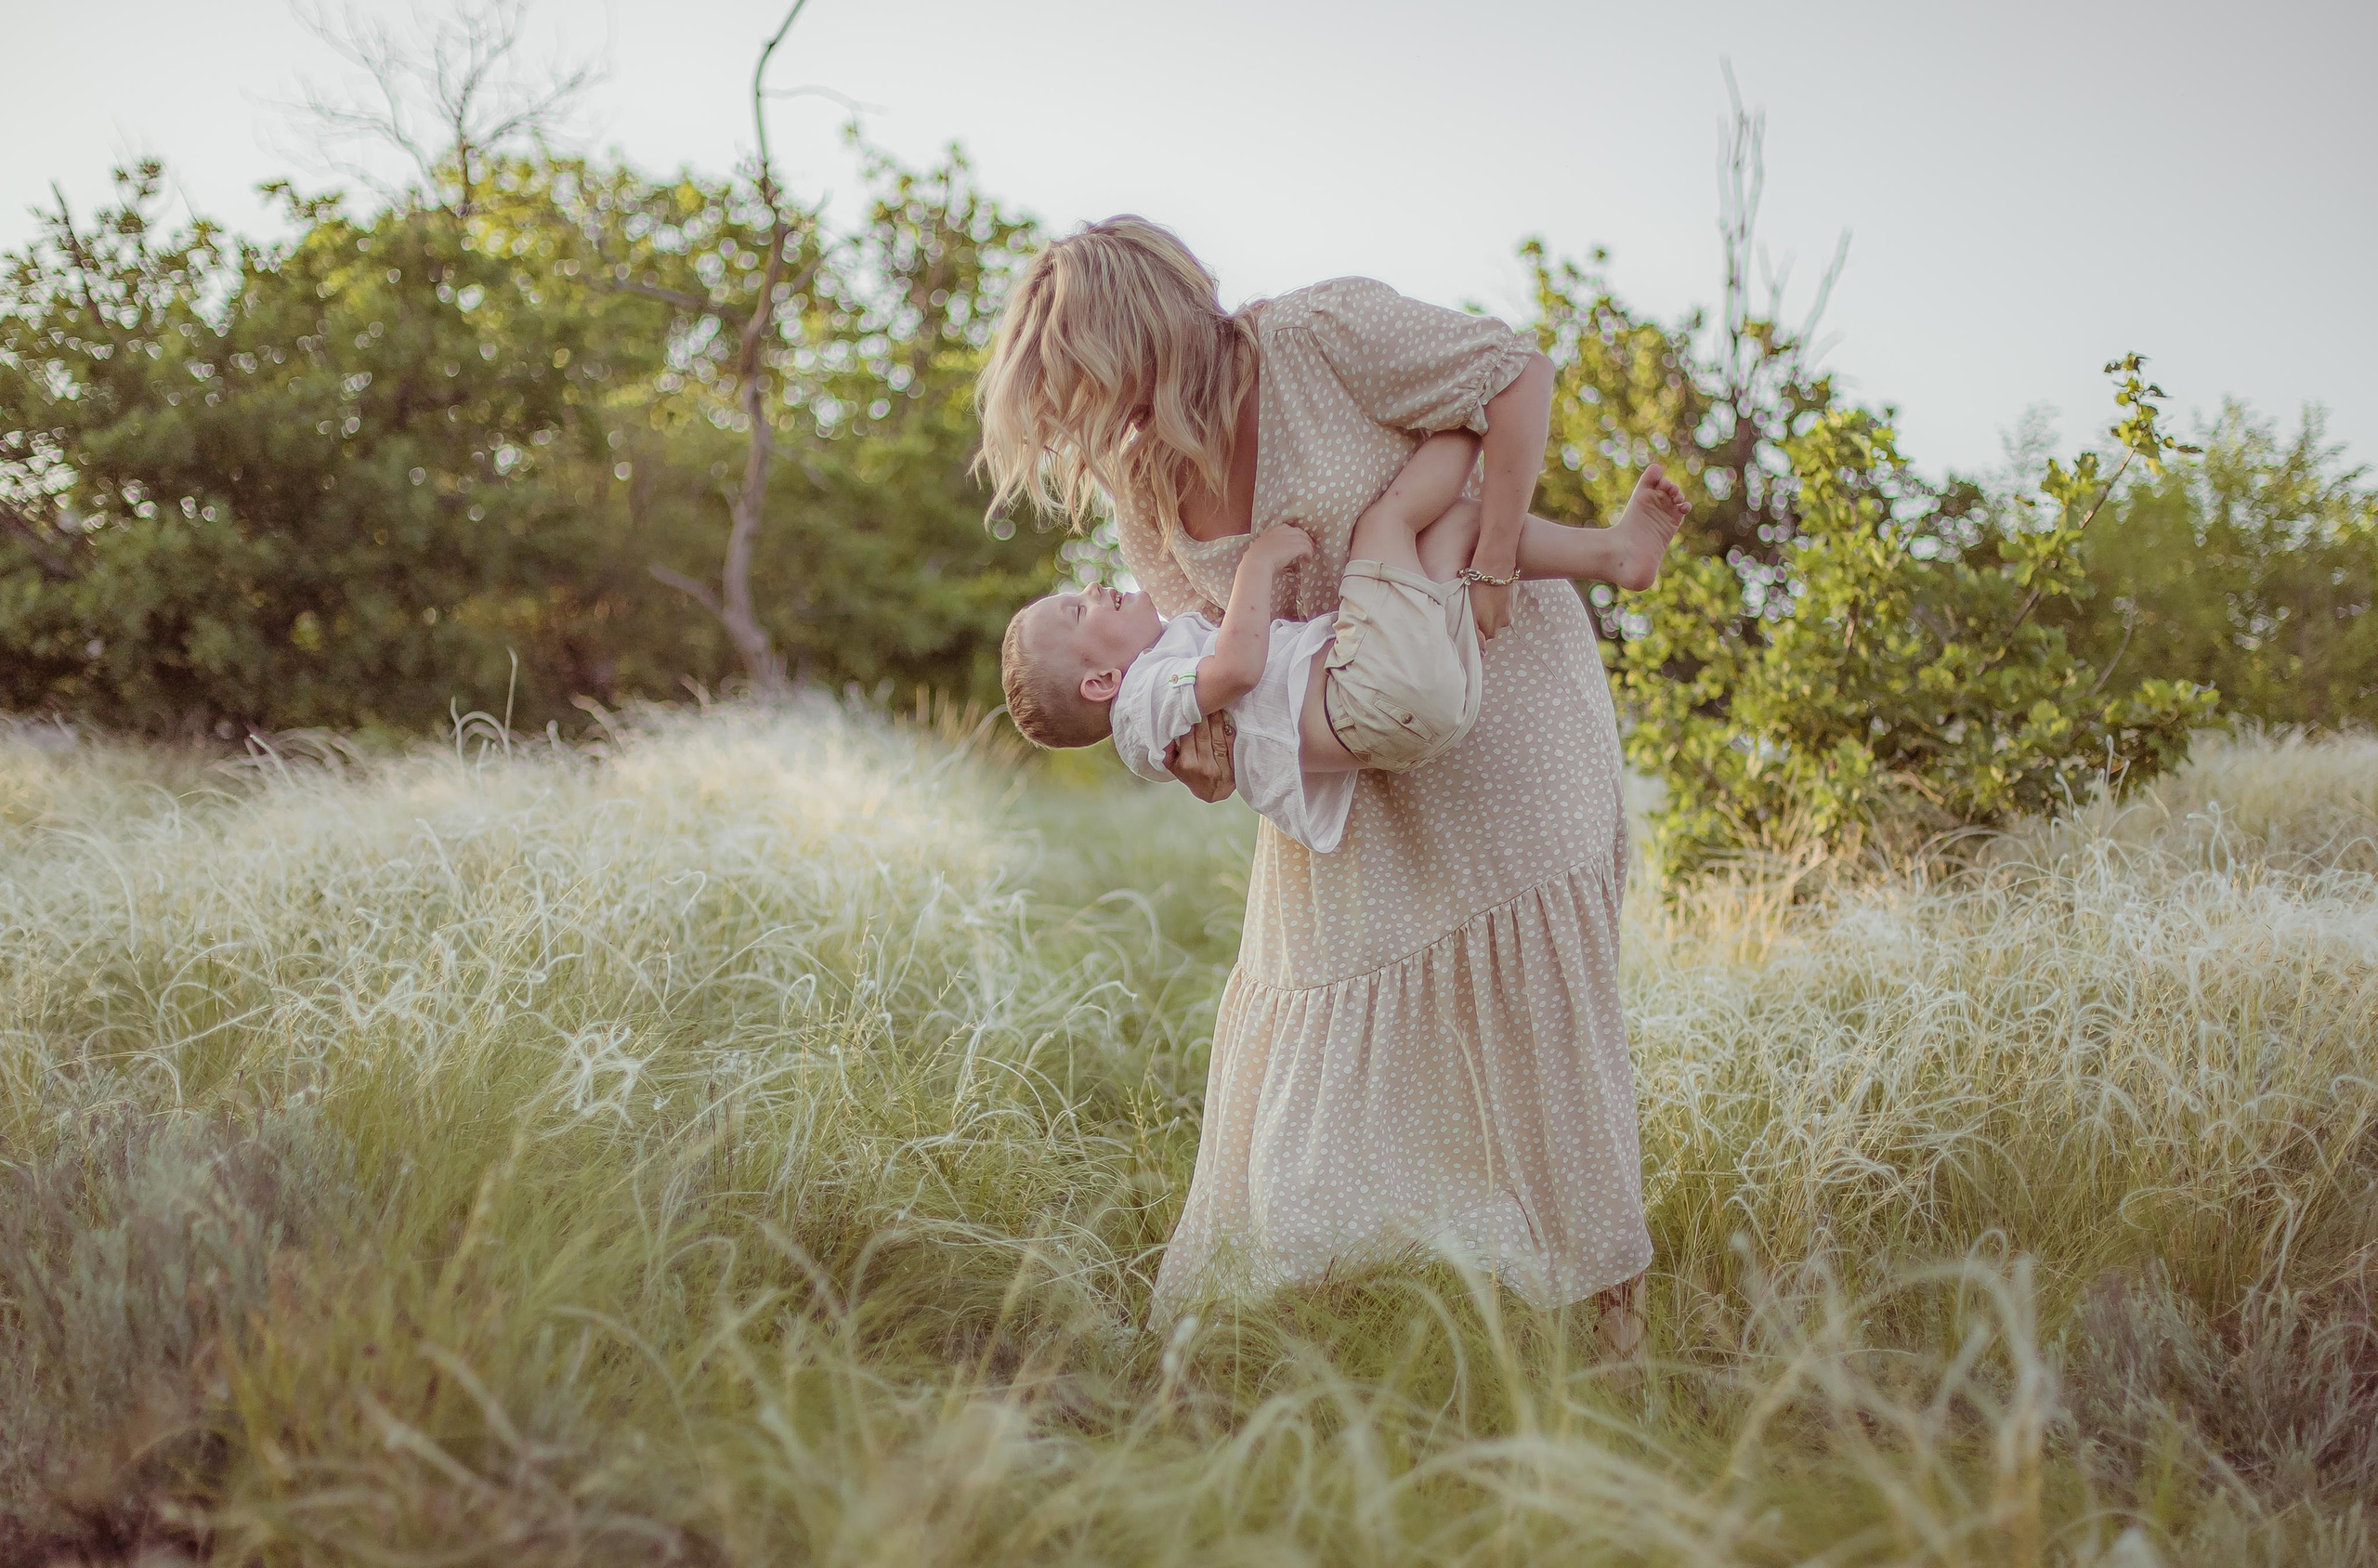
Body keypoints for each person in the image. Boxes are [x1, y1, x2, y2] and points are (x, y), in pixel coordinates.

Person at [975, 216, 1657, 1360]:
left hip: (1496, 693)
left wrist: (1495, 553)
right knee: (1332, 1027)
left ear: (1142, 339)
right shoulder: (1142, 479)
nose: (1090, 426)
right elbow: (1199, 668)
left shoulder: (1317, 336)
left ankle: (1609, 1337)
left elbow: (1515, 376)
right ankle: (1372, 1325)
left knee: (1537, 1012)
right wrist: (1201, 765)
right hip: (1337, 758)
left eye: (1087, 386)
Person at [999, 429, 1688, 862]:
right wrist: (1258, 563)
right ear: (1100, 682)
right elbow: (1237, 668)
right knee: (1389, 522)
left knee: (1457, 529)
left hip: (1405, 708)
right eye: (1077, 609)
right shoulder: (1143, 701)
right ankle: (1468, 414)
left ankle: (1615, 553)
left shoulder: (1156, 696)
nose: (1094, 588)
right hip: (1374, 690)